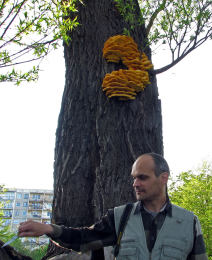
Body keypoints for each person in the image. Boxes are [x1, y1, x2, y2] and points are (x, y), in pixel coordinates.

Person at [18, 153, 208, 260]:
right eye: (134, 178)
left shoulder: (189, 222)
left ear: (163, 178)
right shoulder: (119, 217)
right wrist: (48, 228)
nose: (135, 184)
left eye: (142, 177)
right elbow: (84, 240)